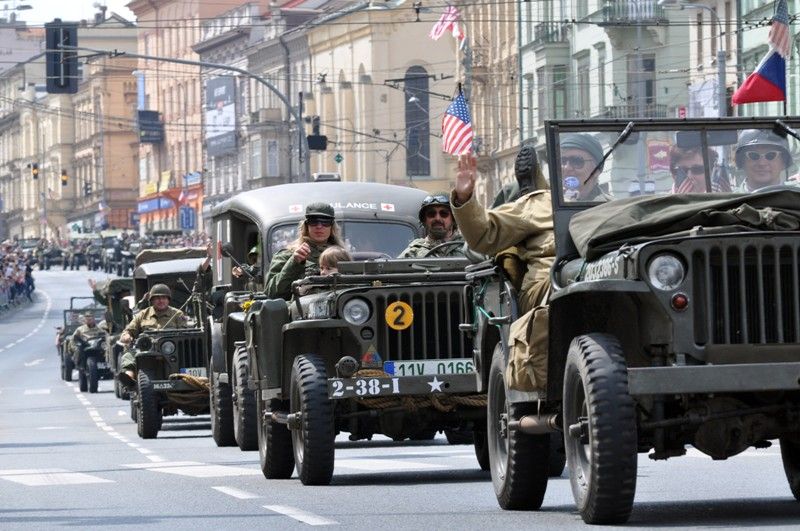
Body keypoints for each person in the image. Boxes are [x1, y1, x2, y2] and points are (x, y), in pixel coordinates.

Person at [451, 147, 554, 392]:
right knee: (566, 283)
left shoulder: (608, 205)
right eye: (565, 161)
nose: (570, 169)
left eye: (578, 162)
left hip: (602, 278)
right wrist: (465, 198)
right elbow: (485, 233)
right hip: (547, 285)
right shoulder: (539, 203)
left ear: (597, 168)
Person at [265, 203, 345, 300]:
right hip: (298, 308)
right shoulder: (286, 255)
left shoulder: (341, 256)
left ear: (332, 227)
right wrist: (294, 263)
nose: (319, 226)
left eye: (325, 222)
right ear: (306, 226)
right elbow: (271, 294)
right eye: (313, 221)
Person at [117, 283, 188, 388]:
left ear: (168, 299)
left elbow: (185, 333)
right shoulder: (142, 314)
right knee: (129, 354)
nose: (161, 301)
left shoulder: (177, 314)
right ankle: (129, 377)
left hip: (172, 350)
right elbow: (128, 331)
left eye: (164, 298)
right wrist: (127, 336)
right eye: (157, 298)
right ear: (152, 300)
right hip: (148, 351)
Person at [398, 192, 464, 258]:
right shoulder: (413, 253)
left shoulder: (467, 248)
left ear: (453, 219)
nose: (437, 218)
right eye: (431, 214)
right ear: (424, 220)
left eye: (444, 214)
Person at [559, 133, 607, 201]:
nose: (567, 168)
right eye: (562, 161)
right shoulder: (548, 203)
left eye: (576, 161)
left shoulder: (612, 205)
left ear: (596, 170)